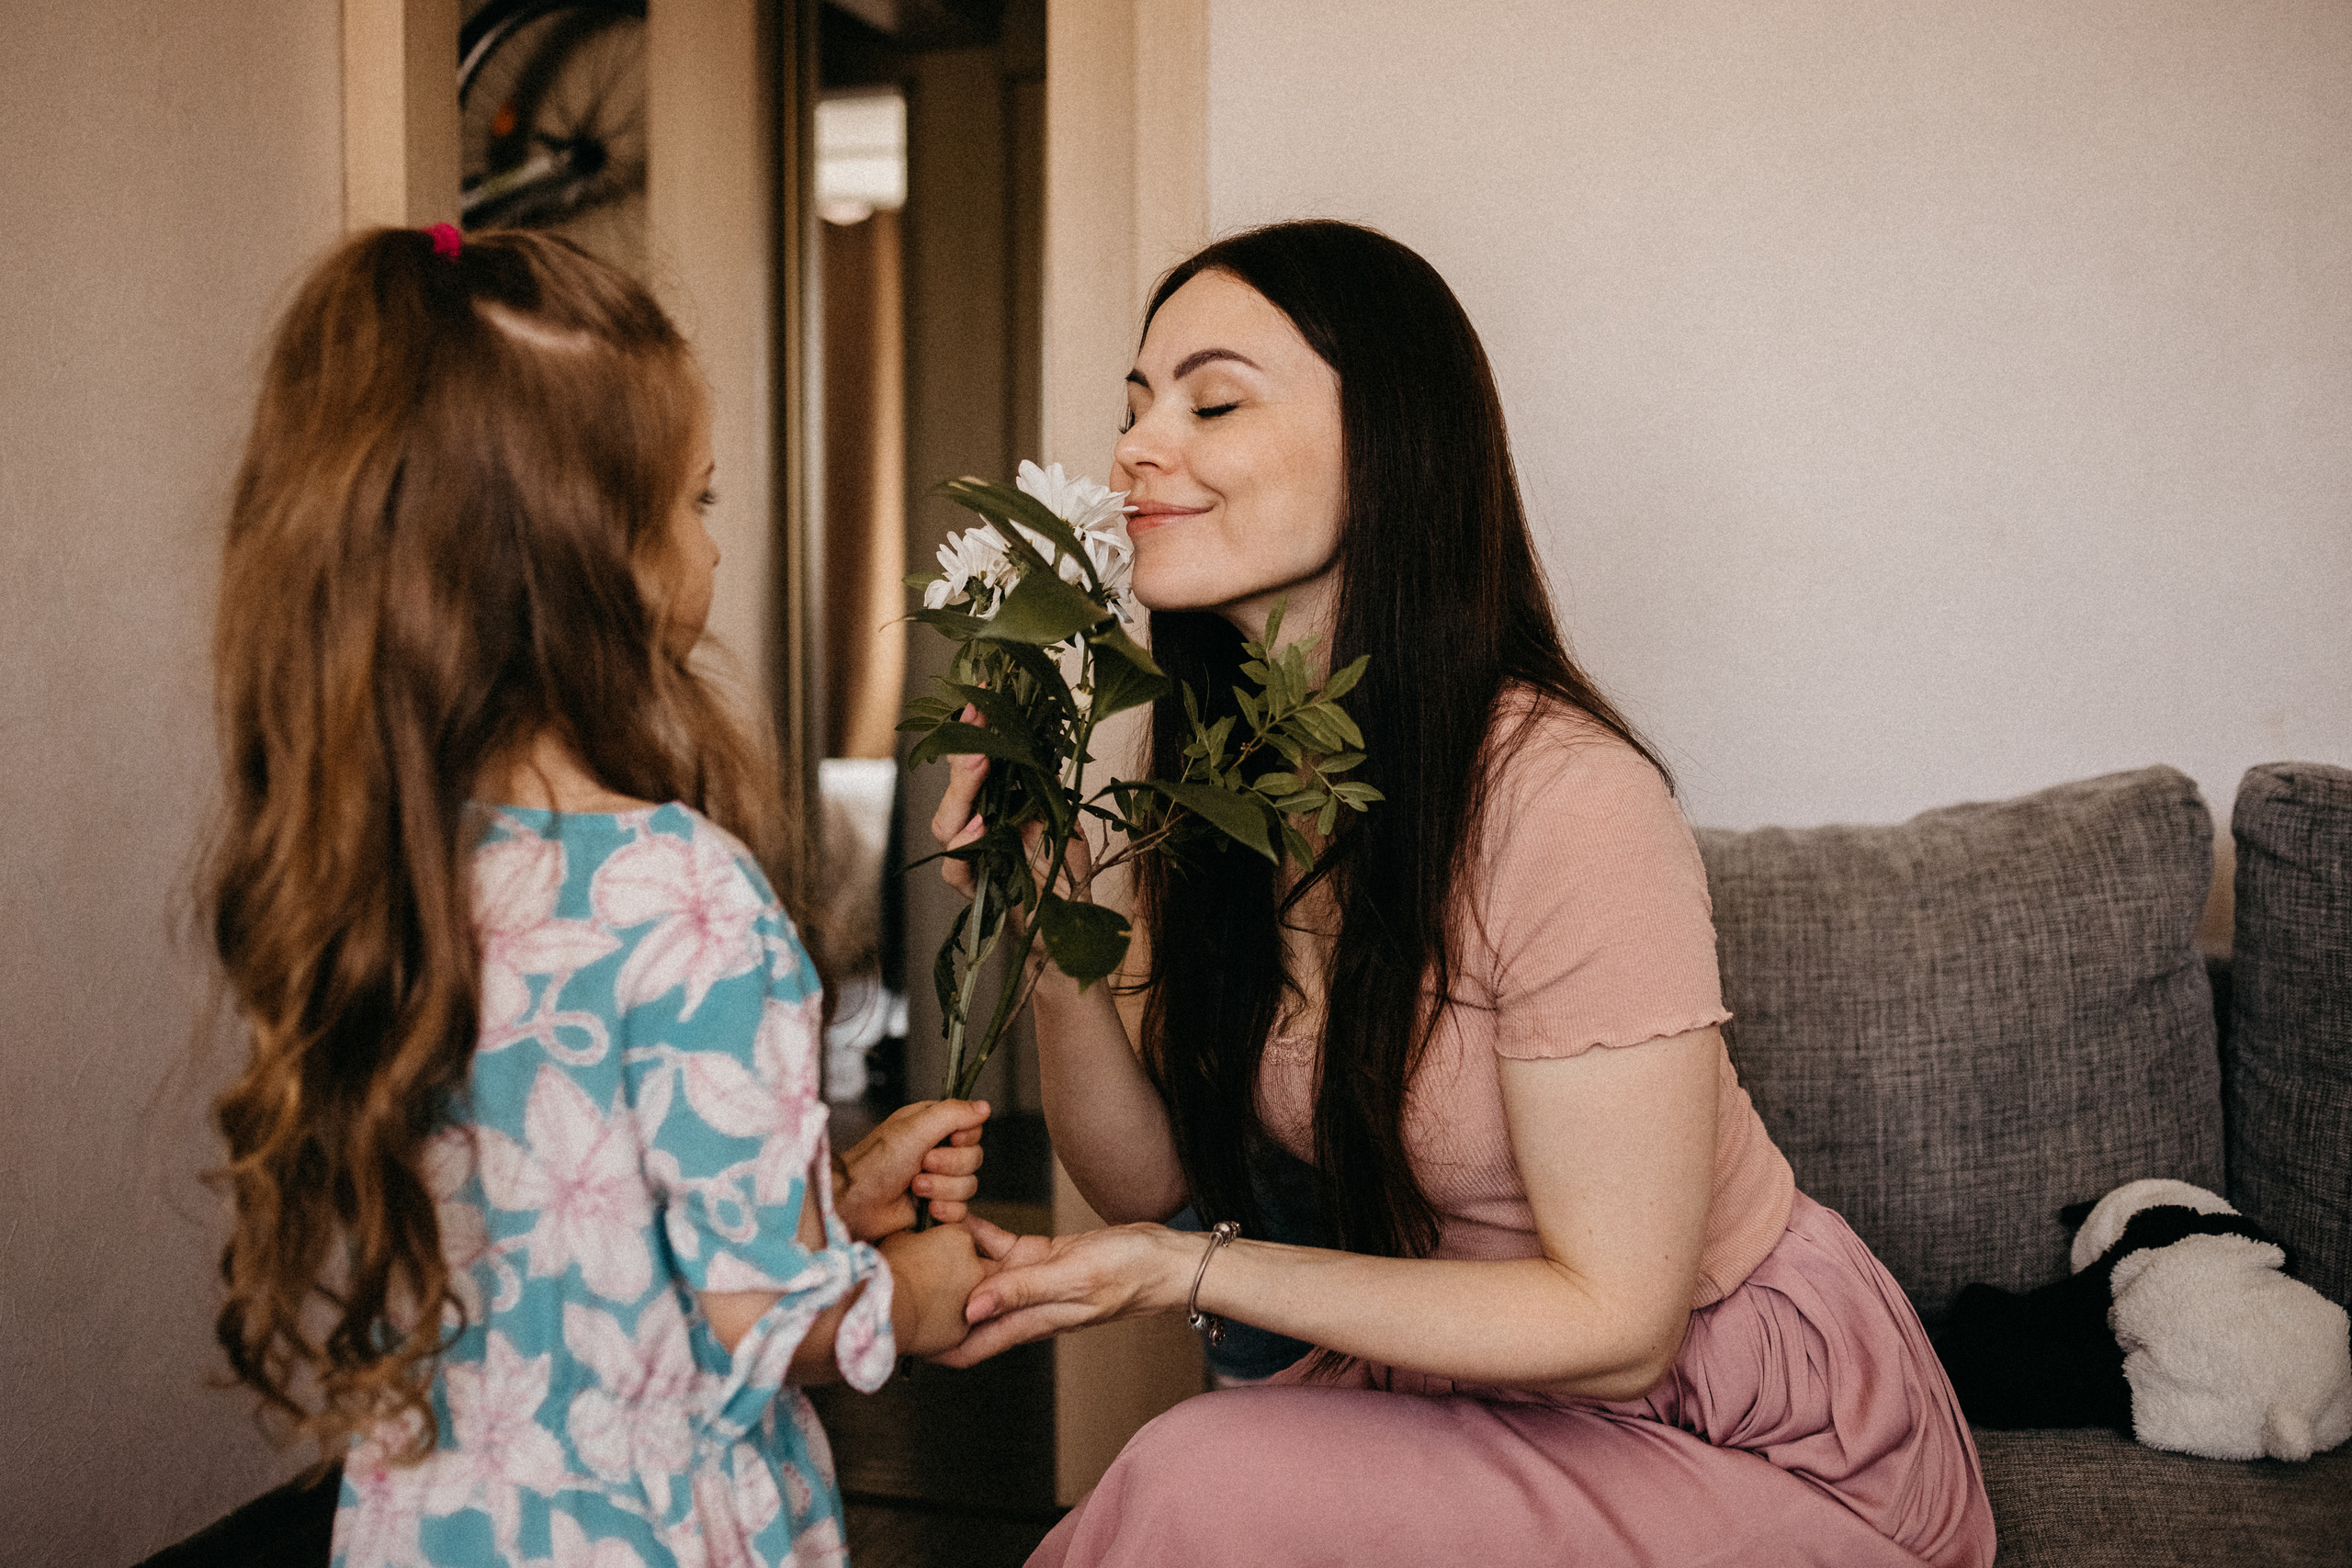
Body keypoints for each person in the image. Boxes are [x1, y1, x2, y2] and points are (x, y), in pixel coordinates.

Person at [929, 220, 1997, 1567]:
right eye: (1133, 408)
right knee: (1193, 1487)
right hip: (1479, 1401)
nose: (1137, 447)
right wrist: (1051, 933)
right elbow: (1151, 1177)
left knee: (1194, 1475)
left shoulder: (1565, 800)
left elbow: (1618, 1324)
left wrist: (1192, 1271)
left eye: (1211, 399)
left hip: (1742, 1433)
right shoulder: (1215, 783)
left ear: (1390, 451)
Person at [206, 225, 996, 1568]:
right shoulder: (687, 895)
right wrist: (915, 1292)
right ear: (585, 558)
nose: (714, 547)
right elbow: (769, 1331)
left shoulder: (395, 866)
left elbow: (571, 1235)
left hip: (435, 1524)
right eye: (696, 501)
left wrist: (828, 1188)